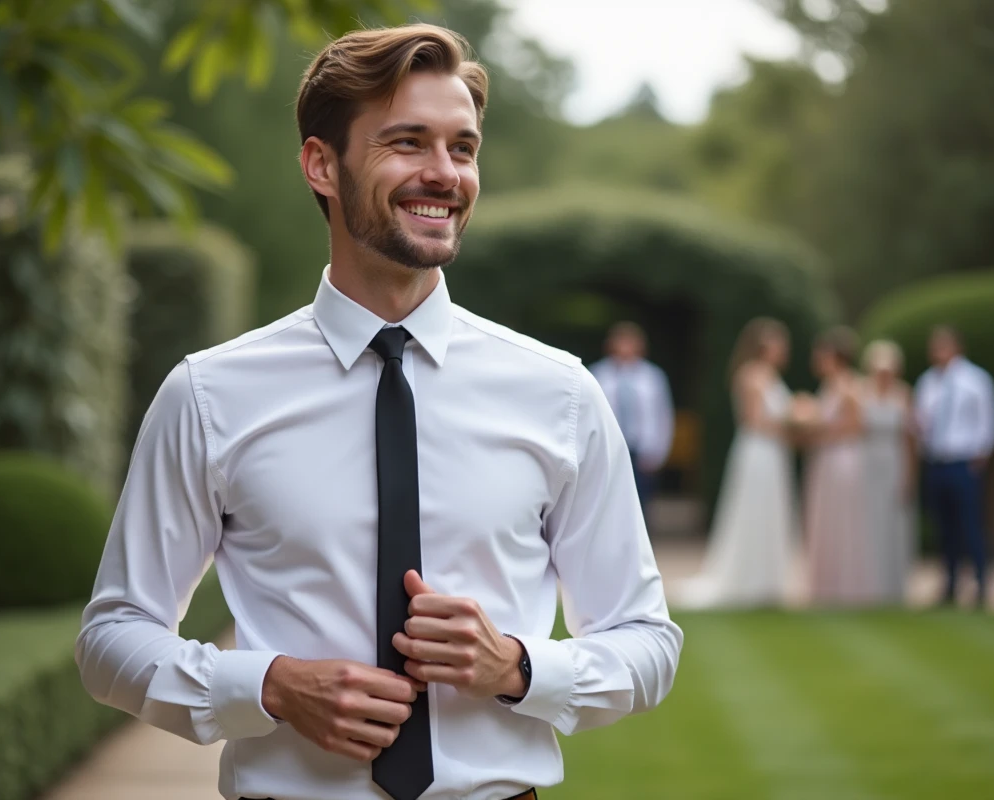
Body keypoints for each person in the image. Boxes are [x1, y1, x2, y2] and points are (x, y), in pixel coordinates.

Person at [74, 24, 682, 800]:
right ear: (322, 164)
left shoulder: (560, 394)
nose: (444, 174)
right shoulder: (208, 395)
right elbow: (109, 640)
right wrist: (268, 686)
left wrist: (520, 668)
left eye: (462, 149)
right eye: (408, 143)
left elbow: (648, 641)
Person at [679, 317, 799, 609]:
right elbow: (755, 420)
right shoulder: (751, 375)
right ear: (762, 346)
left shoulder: (770, 375)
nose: (782, 349)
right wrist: (795, 423)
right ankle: (750, 579)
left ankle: (769, 579)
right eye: (777, 343)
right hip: (758, 451)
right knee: (755, 510)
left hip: (774, 452)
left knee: (772, 511)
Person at [914, 325, 994, 608]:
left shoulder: (976, 380)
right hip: (936, 461)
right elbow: (921, 421)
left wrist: (981, 452)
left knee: (970, 524)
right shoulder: (927, 382)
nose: (937, 352)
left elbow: (988, 420)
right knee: (944, 526)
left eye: (943, 346)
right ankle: (949, 584)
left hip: (964, 462)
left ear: (956, 347)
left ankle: (981, 584)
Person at [802, 326, 876, 606]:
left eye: (822, 354)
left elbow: (859, 426)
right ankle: (826, 586)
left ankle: (846, 586)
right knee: (826, 520)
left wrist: (822, 431)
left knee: (842, 521)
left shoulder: (849, 385)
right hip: (826, 459)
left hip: (843, 460)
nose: (818, 359)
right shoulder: (829, 385)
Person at [589, 321, 675, 509]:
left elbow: (663, 415)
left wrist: (659, 451)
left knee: (641, 501)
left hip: (643, 448)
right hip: (609, 447)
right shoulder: (598, 374)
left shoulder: (653, 376)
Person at [860, 340, 918, 604]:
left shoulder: (904, 394)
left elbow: (909, 440)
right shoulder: (862, 392)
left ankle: (892, 586)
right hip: (867, 462)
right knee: (867, 522)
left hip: (893, 461)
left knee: (893, 522)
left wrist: (909, 475)